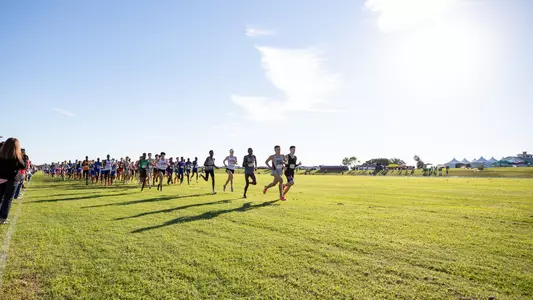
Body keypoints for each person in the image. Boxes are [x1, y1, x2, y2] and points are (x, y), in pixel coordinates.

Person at [0, 138, 27, 224]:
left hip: (2, 178)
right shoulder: (17, 156)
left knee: (0, 198)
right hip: (12, 180)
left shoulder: (1, 154)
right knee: (8, 199)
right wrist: (24, 158)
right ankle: (2, 218)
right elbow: (23, 166)